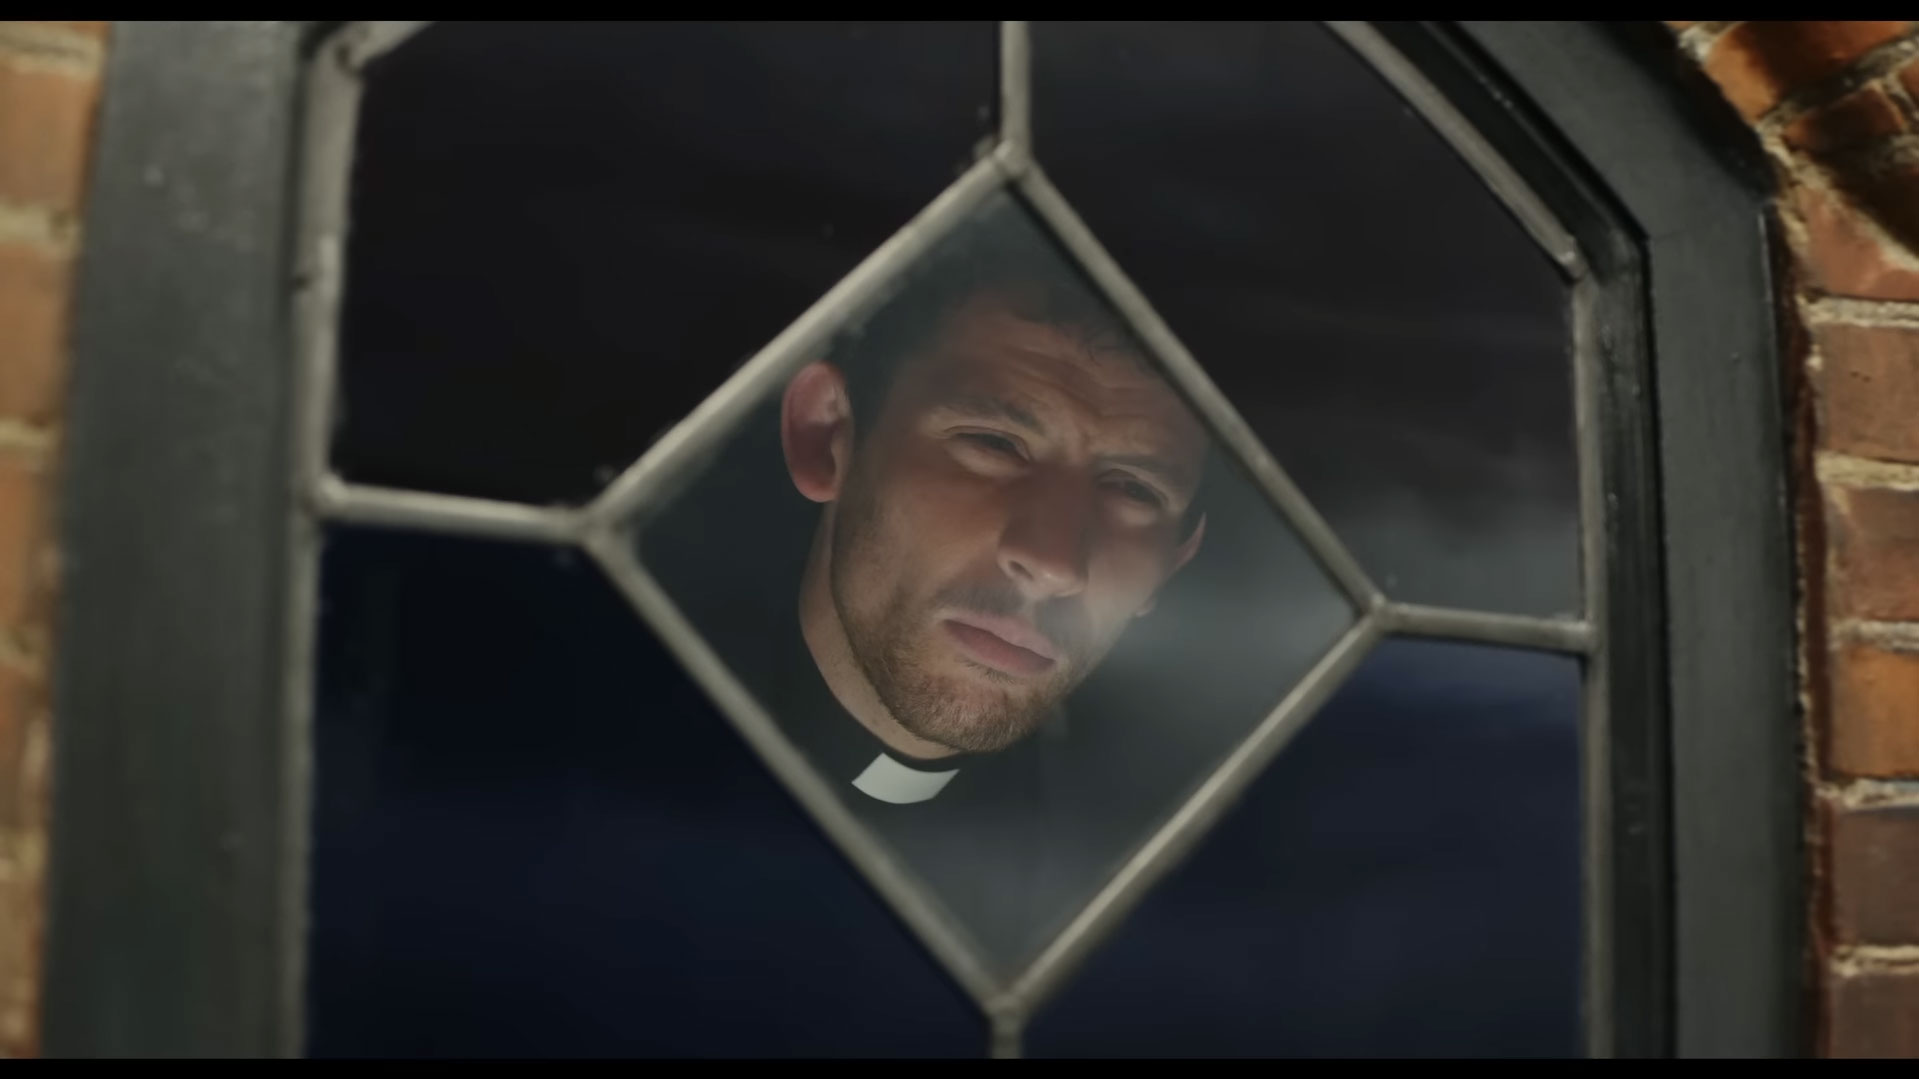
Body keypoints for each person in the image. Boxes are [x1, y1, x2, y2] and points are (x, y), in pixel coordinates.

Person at [646, 196, 1213, 964]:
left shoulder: (1141, 908)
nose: (1052, 562)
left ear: (1170, 567)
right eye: (993, 443)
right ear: (825, 435)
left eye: (1133, 490)